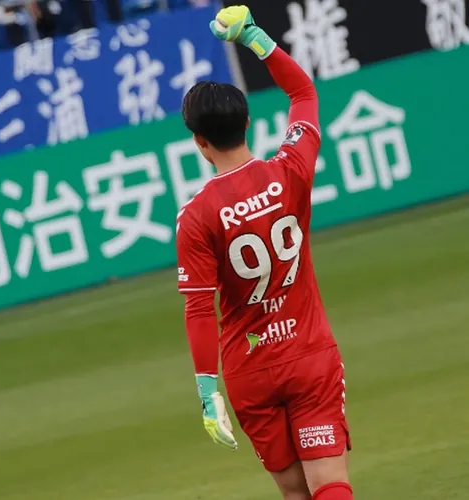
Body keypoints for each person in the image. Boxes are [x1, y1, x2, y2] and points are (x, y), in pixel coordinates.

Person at [176, 6, 353, 500]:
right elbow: (303, 93)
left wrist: (208, 392)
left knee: (296, 494)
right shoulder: (290, 168)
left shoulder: (196, 216)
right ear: (249, 122)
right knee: (330, 485)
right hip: (308, 353)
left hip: (249, 370)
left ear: (199, 142)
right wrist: (255, 37)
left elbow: (199, 308)